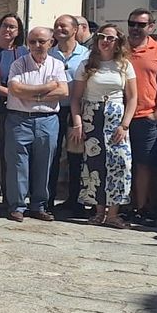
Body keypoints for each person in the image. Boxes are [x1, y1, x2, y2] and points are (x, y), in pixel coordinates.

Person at [72, 24, 136, 227]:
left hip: (116, 118)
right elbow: (76, 98)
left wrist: (124, 125)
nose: (105, 41)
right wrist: (78, 123)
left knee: (120, 164)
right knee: (94, 164)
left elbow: (133, 97)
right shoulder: (86, 64)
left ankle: (113, 213)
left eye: (110, 38)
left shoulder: (124, 65)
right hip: (93, 118)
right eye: (102, 37)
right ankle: (99, 211)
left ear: (118, 42)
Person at [2, 27, 68, 222]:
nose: (37, 46)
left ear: (51, 43)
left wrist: (30, 94)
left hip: (47, 120)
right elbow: (15, 89)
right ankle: (17, 206)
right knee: (17, 164)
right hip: (19, 119)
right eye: (32, 42)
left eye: (41, 41)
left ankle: (39, 205)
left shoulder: (57, 65)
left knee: (45, 163)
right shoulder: (18, 64)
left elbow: (63, 91)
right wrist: (47, 89)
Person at [124, 8, 157, 224]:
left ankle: (142, 207)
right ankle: (120, 205)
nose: (135, 28)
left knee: (144, 164)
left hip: (145, 116)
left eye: (141, 25)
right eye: (132, 23)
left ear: (151, 27)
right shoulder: (120, 46)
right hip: (116, 115)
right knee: (120, 163)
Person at [47, 14, 89, 211]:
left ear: (75, 30)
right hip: (53, 110)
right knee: (52, 154)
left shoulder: (87, 55)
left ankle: (75, 199)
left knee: (75, 156)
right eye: (56, 26)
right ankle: (47, 199)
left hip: (77, 112)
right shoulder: (48, 54)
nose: (59, 29)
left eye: (63, 26)